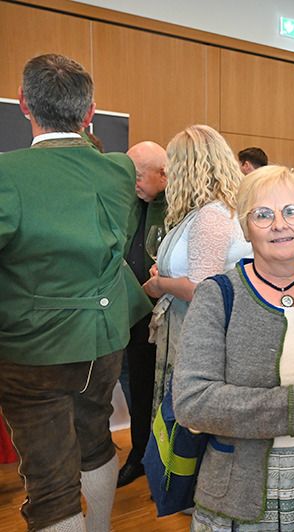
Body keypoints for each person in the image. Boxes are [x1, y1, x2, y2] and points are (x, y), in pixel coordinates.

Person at [0, 54, 151, 532]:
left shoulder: (6, 175)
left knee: (50, 484)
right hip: (102, 343)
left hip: (32, 351)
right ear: (90, 113)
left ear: (24, 103)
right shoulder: (118, 171)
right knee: (95, 441)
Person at [173, 165, 294, 530]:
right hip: (245, 495)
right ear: (246, 229)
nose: (279, 225)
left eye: (291, 211)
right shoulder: (219, 296)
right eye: (262, 215)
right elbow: (192, 402)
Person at [144, 124, 252, 416]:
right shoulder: (219, 209)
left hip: (200, 334)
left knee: (187, 418)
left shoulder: (211, 215)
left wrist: (161, 284)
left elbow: (201, 288)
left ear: (186, 168)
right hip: (204, 329)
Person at [115, 141, 168, 488]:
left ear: (163, 174)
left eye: (138, 175)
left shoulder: (176, 209)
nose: (132, 182)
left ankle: (159, 462)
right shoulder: (131, 205)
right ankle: (139, 453)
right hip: (129, 313)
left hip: (160, 316)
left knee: (156, 391)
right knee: (133, 384)